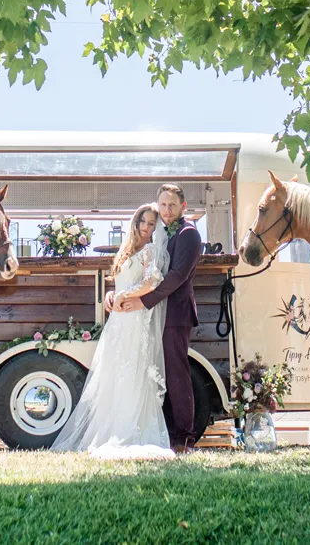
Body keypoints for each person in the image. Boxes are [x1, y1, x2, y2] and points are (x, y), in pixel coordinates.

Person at [49, 203, 173, 458]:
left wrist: (124, 295)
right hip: (118, 319)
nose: (147, 228)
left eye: (152, 224)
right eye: (144, 222)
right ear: (135, 222)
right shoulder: (128, 250)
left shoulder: (150, 250)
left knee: (132, 371)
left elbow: (151, 282)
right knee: (113, 373)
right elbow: (124, 281)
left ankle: (129, 430)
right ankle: (108, 430)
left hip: (135, 317)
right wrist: (112, 295)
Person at [116, 183, 203, 452]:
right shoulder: (163, 234)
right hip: (160, 313)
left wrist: (143, 301)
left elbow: (176, 277)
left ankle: (185, 437)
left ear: (183, 207)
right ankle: (164, 430)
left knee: (177, 373)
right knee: (162, 373)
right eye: (163, 205)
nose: (167, 210)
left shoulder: (188, 235)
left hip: (176, 314)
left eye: (172, 205)